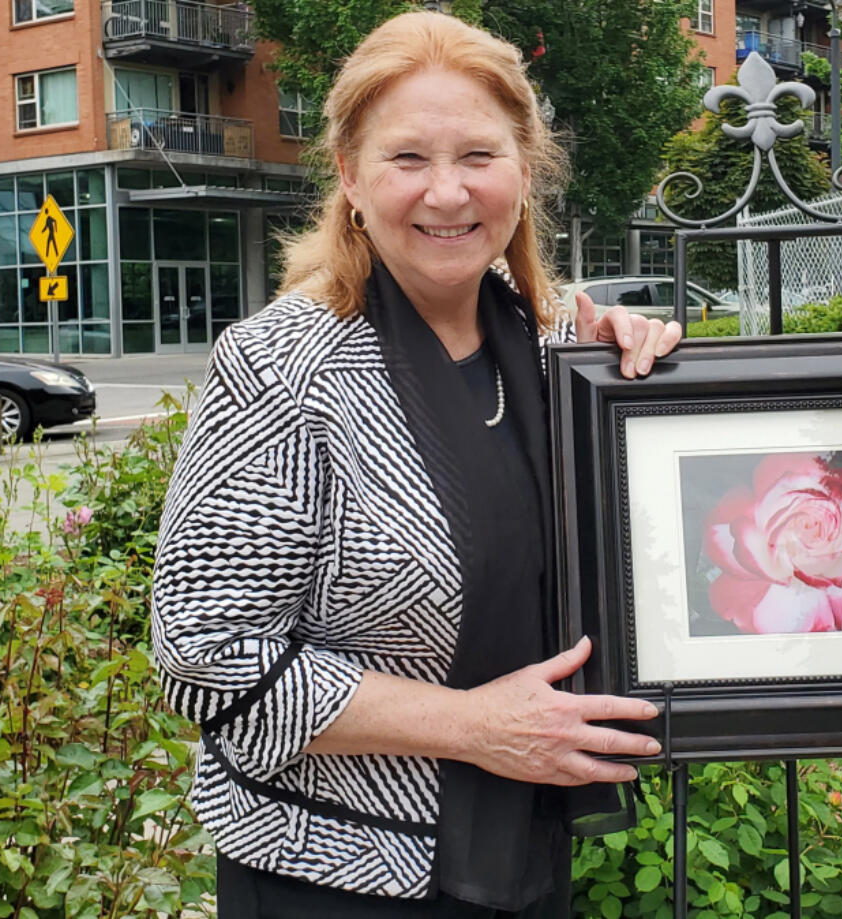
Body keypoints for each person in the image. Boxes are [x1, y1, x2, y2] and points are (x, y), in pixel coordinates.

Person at [150, 11, 682, 919]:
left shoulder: (560, 351)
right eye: (407, 160)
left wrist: (633, 392)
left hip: (523, 854)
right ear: (351, 178)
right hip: (335, 875)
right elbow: (206, 658)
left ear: (525, 170)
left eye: (479, 155)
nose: (447, 193)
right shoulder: (281, 367)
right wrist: (475, 728)